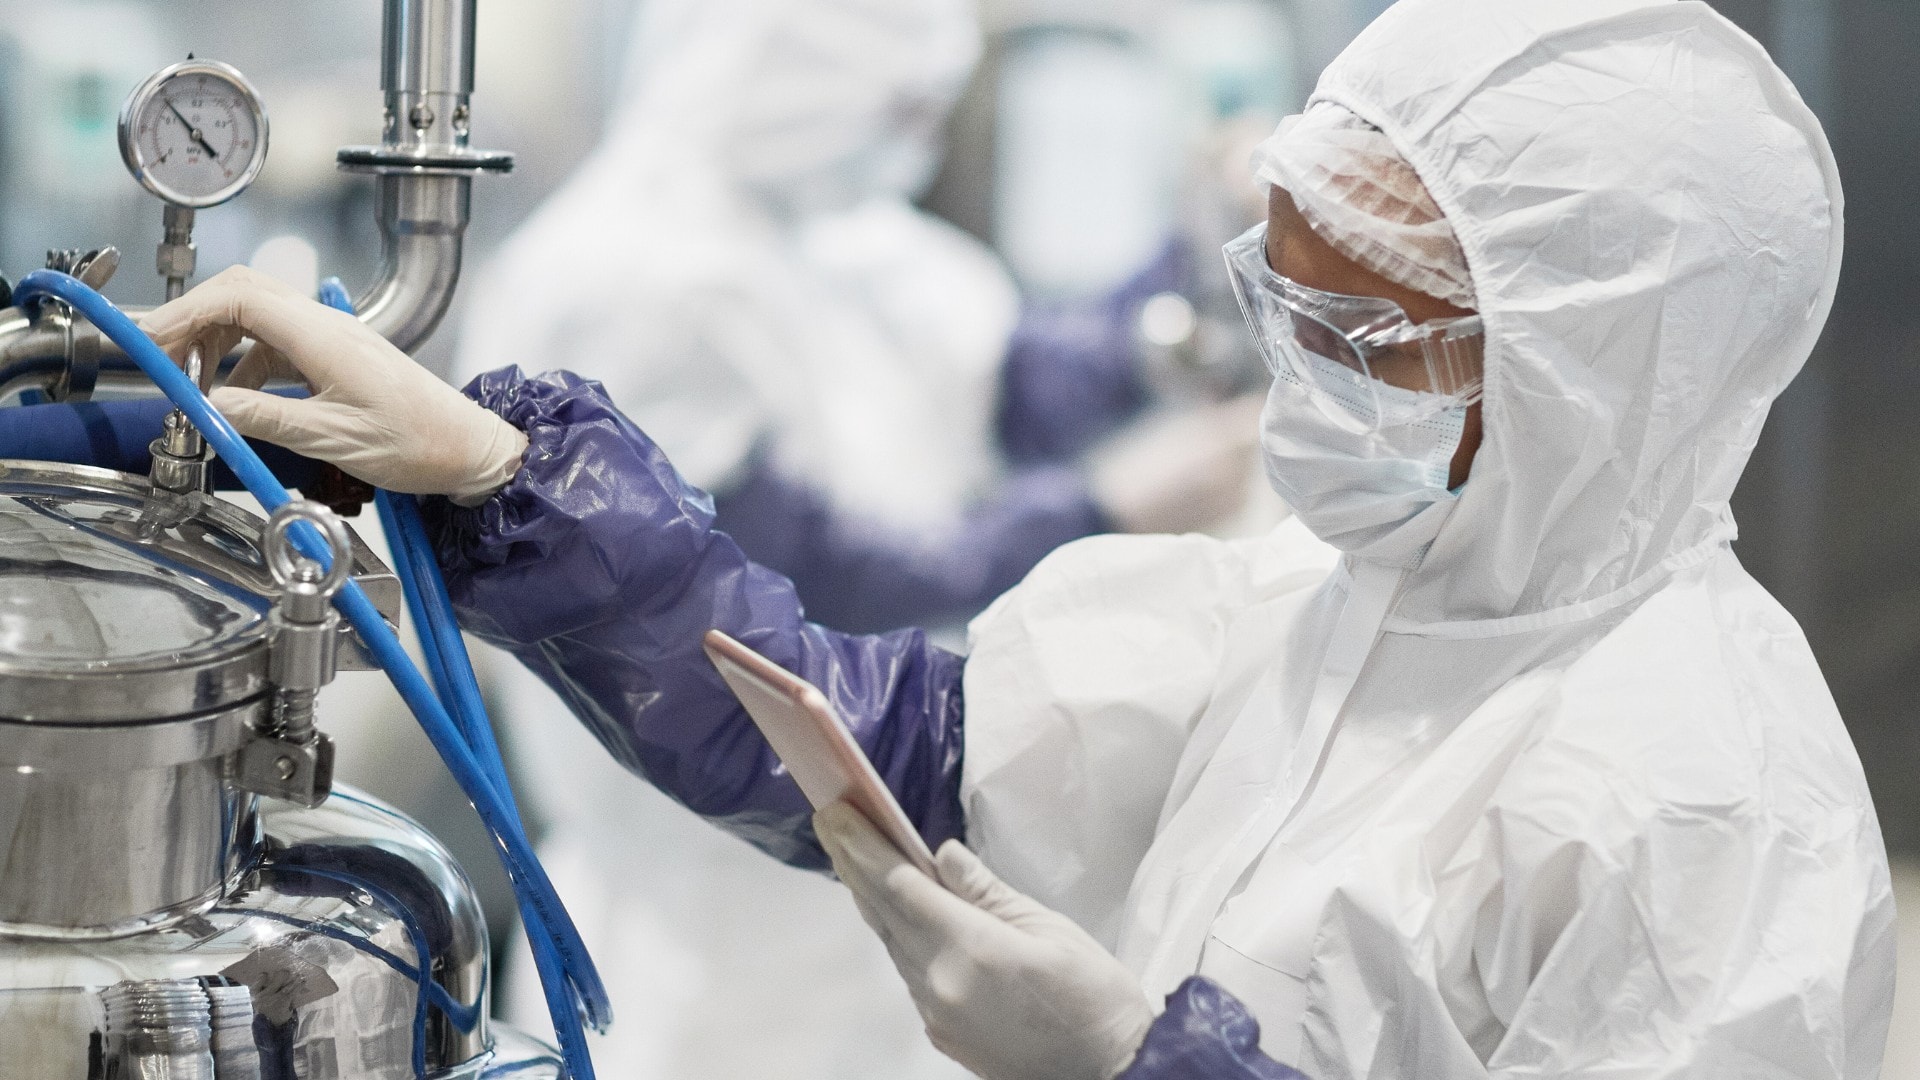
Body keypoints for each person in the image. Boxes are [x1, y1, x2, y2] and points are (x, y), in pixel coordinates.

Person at [145, 0, 1895, 1075]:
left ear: (1596, 375)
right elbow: (893, 742)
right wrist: (506, 475)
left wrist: (1147, 1072)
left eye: (1359, 337)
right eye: (1278, 306)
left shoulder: (1704, 808)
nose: (1303, 389)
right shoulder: (1330, 600)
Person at [448, 0, 1255, 1071]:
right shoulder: (635, 278)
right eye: (899, 107)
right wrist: (1101, 510)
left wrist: (1214, 241)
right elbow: (790, 587)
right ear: (790, 83)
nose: (916, 136)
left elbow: (1016, 387)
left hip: (867, 879)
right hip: (715, 916)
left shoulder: (852, 234)